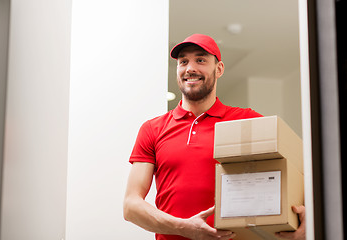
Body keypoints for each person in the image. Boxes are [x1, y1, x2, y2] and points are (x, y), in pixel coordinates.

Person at [123, 34, 305, 240]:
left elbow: (299, 170)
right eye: (183, 62)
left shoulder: (246, 121)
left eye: (200, 60)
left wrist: (309, 215)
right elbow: (131, 206)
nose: (190, 68)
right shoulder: (152, 129)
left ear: (219, 69)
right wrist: (185, 228)